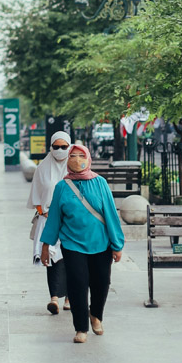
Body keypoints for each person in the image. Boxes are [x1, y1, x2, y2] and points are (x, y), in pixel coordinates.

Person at [40, 145, 125, 344]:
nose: (77, 160)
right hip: (72, 243)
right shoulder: (62, 187)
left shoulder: (100, 183)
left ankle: (96, 315)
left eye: (81, 156)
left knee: (101, 282)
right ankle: (81, 328)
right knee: (77, 284)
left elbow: (111, 215)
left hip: (101, 243)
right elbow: (54, 219)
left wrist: (117, 244)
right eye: (73, 156)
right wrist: (46, 246)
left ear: (88, 158)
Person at [27, 131, 71, 315]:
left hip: (70, 221)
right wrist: (42, 212)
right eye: (56, 147)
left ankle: (70, 296)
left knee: (71, 257)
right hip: (48, 219)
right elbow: (36, 196)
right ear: (50, 147)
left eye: (64, 147)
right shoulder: (42, 169)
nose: (60, 150)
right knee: (51, 258)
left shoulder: (74, 166)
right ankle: (54, 297)